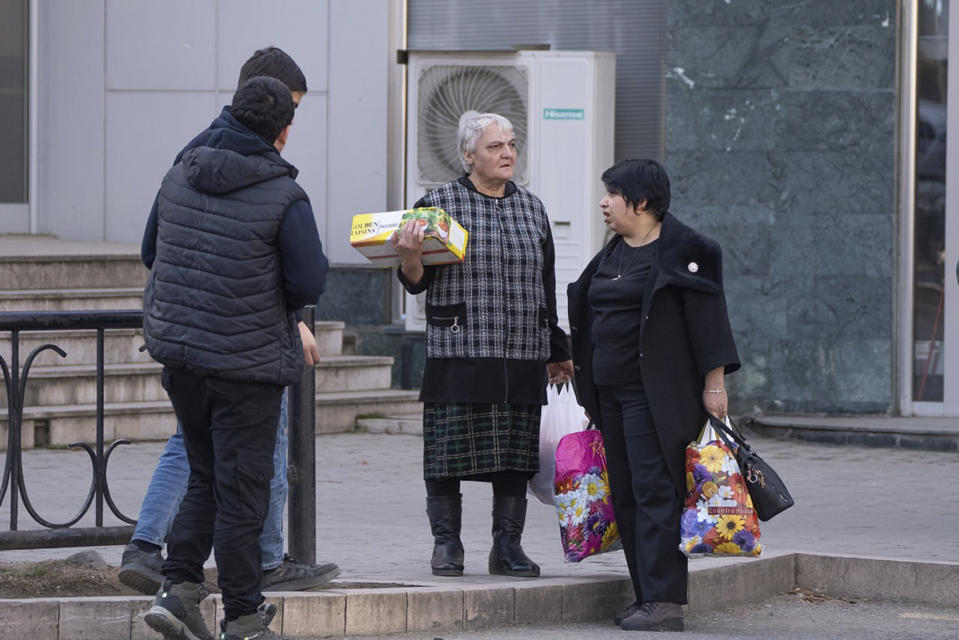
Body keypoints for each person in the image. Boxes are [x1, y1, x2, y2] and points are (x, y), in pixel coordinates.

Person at [121, 46, 339, 599]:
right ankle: (242, 606)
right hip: (244, 354)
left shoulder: (186, 165)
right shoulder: (282, 191)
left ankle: (176, 584)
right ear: (278, 124)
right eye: (291, 110)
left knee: (205, 474)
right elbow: (306, 281)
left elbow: (154, 248)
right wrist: (278, 316)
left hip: (184, 349)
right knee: (238, 486)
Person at [394, 111, 574, 579]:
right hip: (460, 350)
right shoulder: (437, 206)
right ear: (469, 155)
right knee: (446, 454)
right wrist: (410, 256)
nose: (508, 153)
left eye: (511, 144)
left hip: (521, 352)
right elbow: (416, 284)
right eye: (495, 146)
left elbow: (546, 283)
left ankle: (507, 547)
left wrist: (557, 348)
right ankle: (447, 546)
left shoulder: (533, 209)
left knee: (515, 457)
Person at [567, 159, 740, 632]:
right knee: (625, 492)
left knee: (655, 492)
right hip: (609, 394)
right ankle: (645, 595)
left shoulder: (688, 249)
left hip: (656, 395)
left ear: (640, 202)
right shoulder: (613, 252)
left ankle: (665, 602)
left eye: (612, 194)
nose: (603, 202)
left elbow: (710, 324)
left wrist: (714, 385)